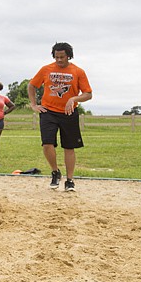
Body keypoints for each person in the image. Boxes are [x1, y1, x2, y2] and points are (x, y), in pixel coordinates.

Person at [27, 42, 93, 191]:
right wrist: (33, 104)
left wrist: (74, 99)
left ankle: (70, 180)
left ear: (68, 56)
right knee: (47, 143)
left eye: (62, 57)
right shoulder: (46, 69)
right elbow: (32, 86)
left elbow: (88, 94)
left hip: (69, 113)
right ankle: (55, 172)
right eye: (56, 57)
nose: (59, 60)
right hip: (48, 112)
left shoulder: (78, 71)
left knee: (69, 147)